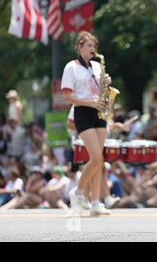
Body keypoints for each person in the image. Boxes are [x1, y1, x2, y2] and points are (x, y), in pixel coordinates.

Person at [61, 31, 111, 215]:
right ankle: (78, 191)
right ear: (79, 47)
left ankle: (96, 203)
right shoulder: (71, 67)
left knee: (100, 161)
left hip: (98, 111)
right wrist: (90, 102)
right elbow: (66, 96)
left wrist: (106, 83)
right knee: (96, 157)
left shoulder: (97, 67)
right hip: (82, 111)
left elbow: (98, 89)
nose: (92, 49)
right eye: (89, 46)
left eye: (94, 46)